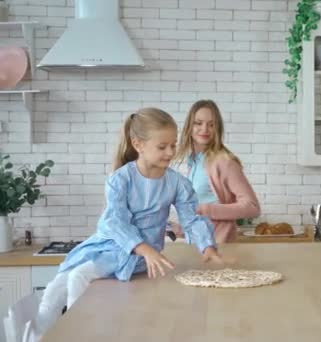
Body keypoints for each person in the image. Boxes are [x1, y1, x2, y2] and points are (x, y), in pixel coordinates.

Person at [34, 108, 227, 338]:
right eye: (162, 146)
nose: (170, 152)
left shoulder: (177, 183)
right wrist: (144, 248)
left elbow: (191, 218)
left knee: (78, 276)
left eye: (173, 145)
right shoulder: (120, 179)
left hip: (135, 257)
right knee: (55, 289)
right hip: (108, 245)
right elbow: (114, 221)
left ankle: (81, 334)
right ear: (138, 144)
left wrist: (207, 246)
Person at [171, 99, 260, 243]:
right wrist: (181, 229)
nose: (205, 129)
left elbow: (252, 207)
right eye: (198, 123)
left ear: (217, 128)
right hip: (197, 247)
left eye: (211, 124)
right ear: (189, 126)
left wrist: (205, 210)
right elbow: (202, 212)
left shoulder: (224, 161)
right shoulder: (193, 161)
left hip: (219, 248)